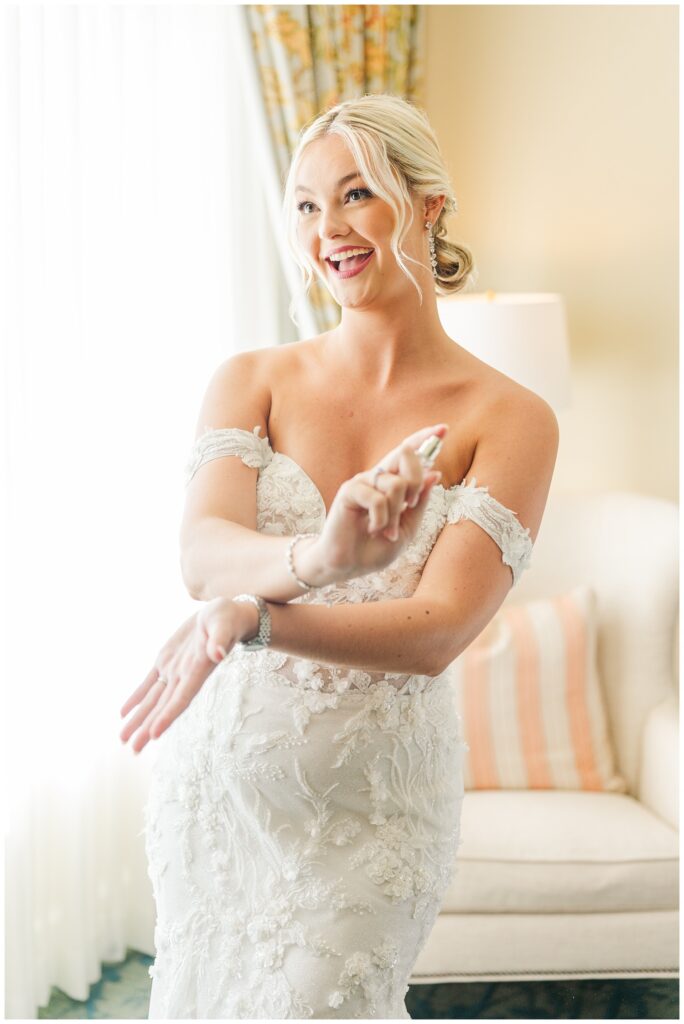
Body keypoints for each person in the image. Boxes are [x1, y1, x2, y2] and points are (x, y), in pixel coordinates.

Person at [120, 93, 558, 1019]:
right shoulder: (251, 381)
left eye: (356, 194)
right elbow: (204, 558)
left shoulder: (511, 418)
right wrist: (318, 556)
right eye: (307, 205)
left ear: (428, 206)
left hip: (370, 814)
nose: (329, 231)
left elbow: (440, 628)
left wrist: (262, 617)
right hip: (219, 799)